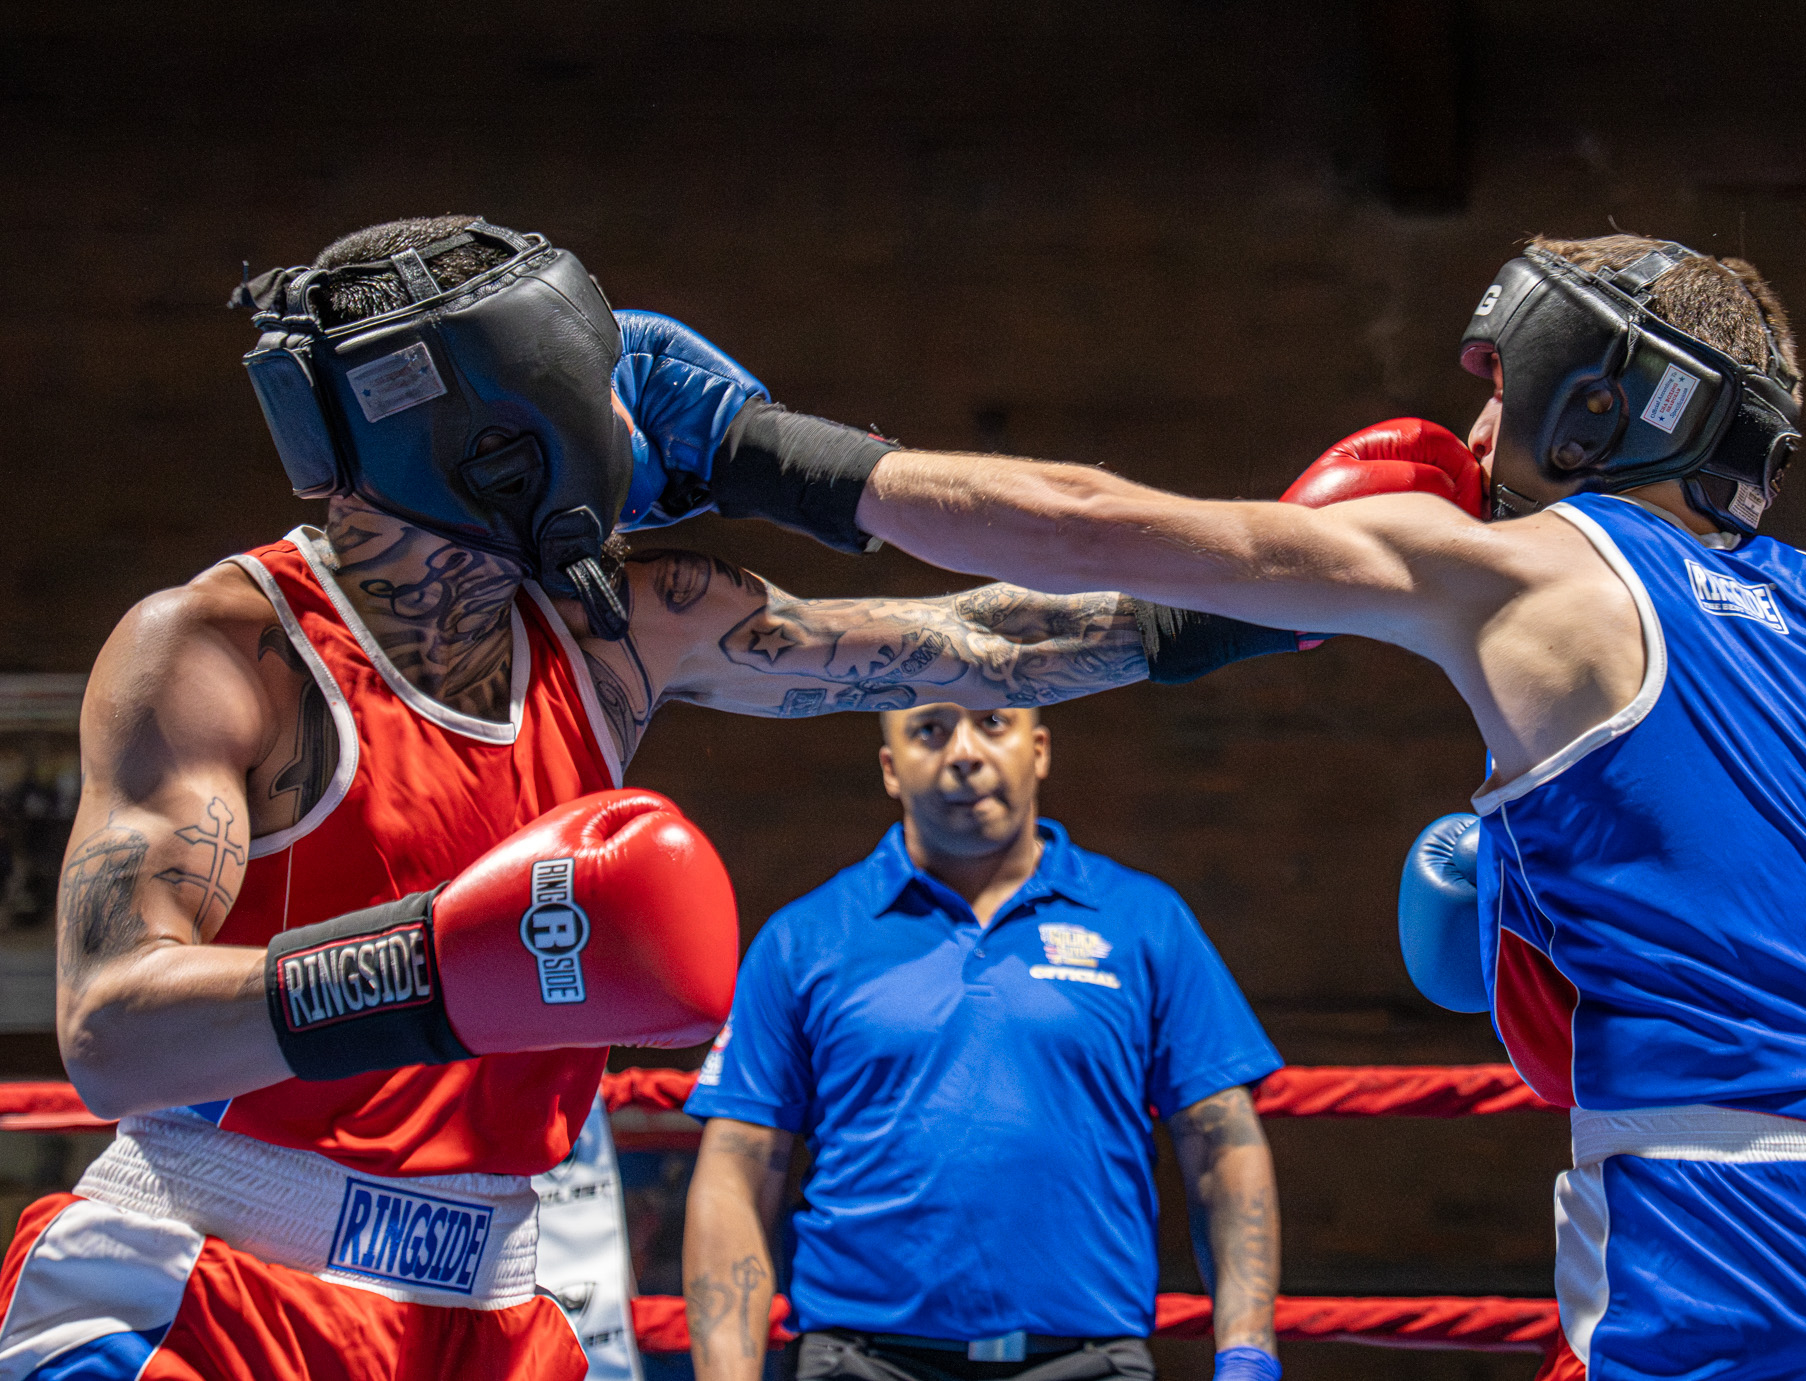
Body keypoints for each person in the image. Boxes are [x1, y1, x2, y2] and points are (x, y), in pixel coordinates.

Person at [612, 233, 1806, 1375]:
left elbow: (1083, 525)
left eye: (1504, 387)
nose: (1475, 425)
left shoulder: (1525, 566)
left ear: (1590, 407)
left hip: (1743, 1234)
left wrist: (758, 448)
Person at [4, 214, 1198, 1381]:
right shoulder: (224, 650)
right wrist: (432, 965)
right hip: (211, 1286)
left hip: (489, 1309)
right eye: (585, 388)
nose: (628, 424)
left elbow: (983, 647)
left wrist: (1260, 602)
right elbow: (110, 1032)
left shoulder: (611, 631)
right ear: (495, 440)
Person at [681, 702, 1283, 1381]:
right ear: (890, 768)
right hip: (860, 1360)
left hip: (1088, 1361)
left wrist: (1247, 1355)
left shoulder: (1145, 920)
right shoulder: (805, 937)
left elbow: (1222, 1146)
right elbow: (735, 1171)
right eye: (929, 730)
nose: (964, 753)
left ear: (1040, 749)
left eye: (993, 722)